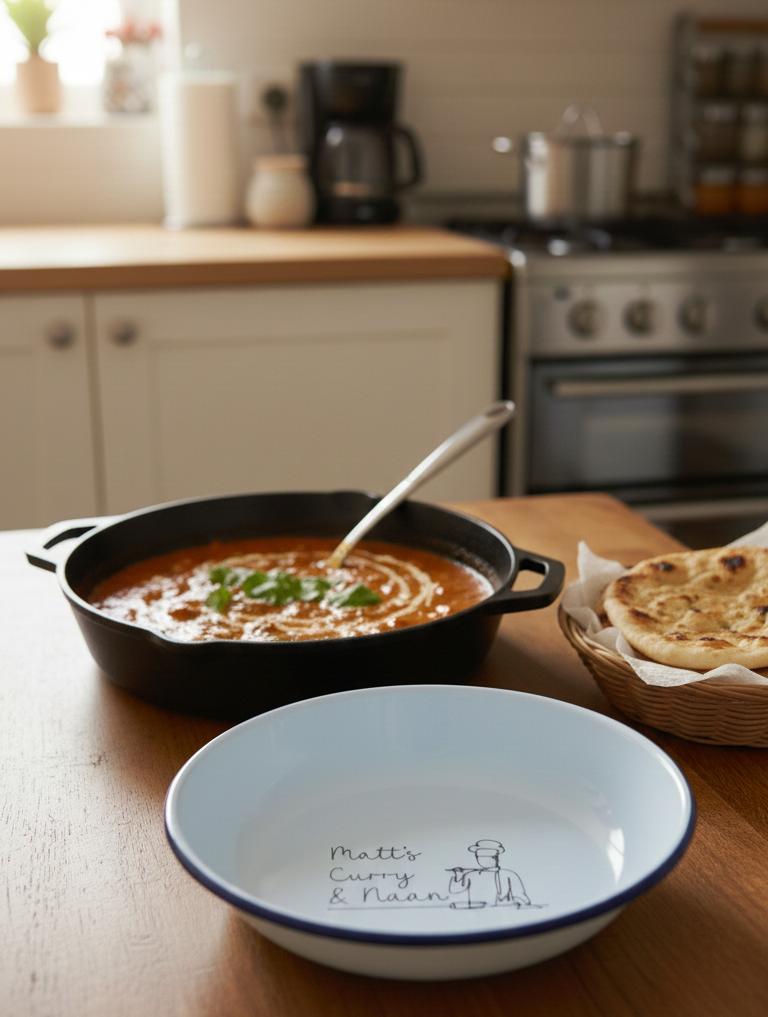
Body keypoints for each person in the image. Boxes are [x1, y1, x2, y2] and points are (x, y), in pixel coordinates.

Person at [447, 839, 531, 909]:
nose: (482, 860)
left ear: (496, 858)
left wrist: (513, 902)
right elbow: (455, 890)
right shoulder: (471, 875)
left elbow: (523, 899)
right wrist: (458, 875)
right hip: (477, 912)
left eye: (490, 857)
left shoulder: (508, 875)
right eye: (479, 857)